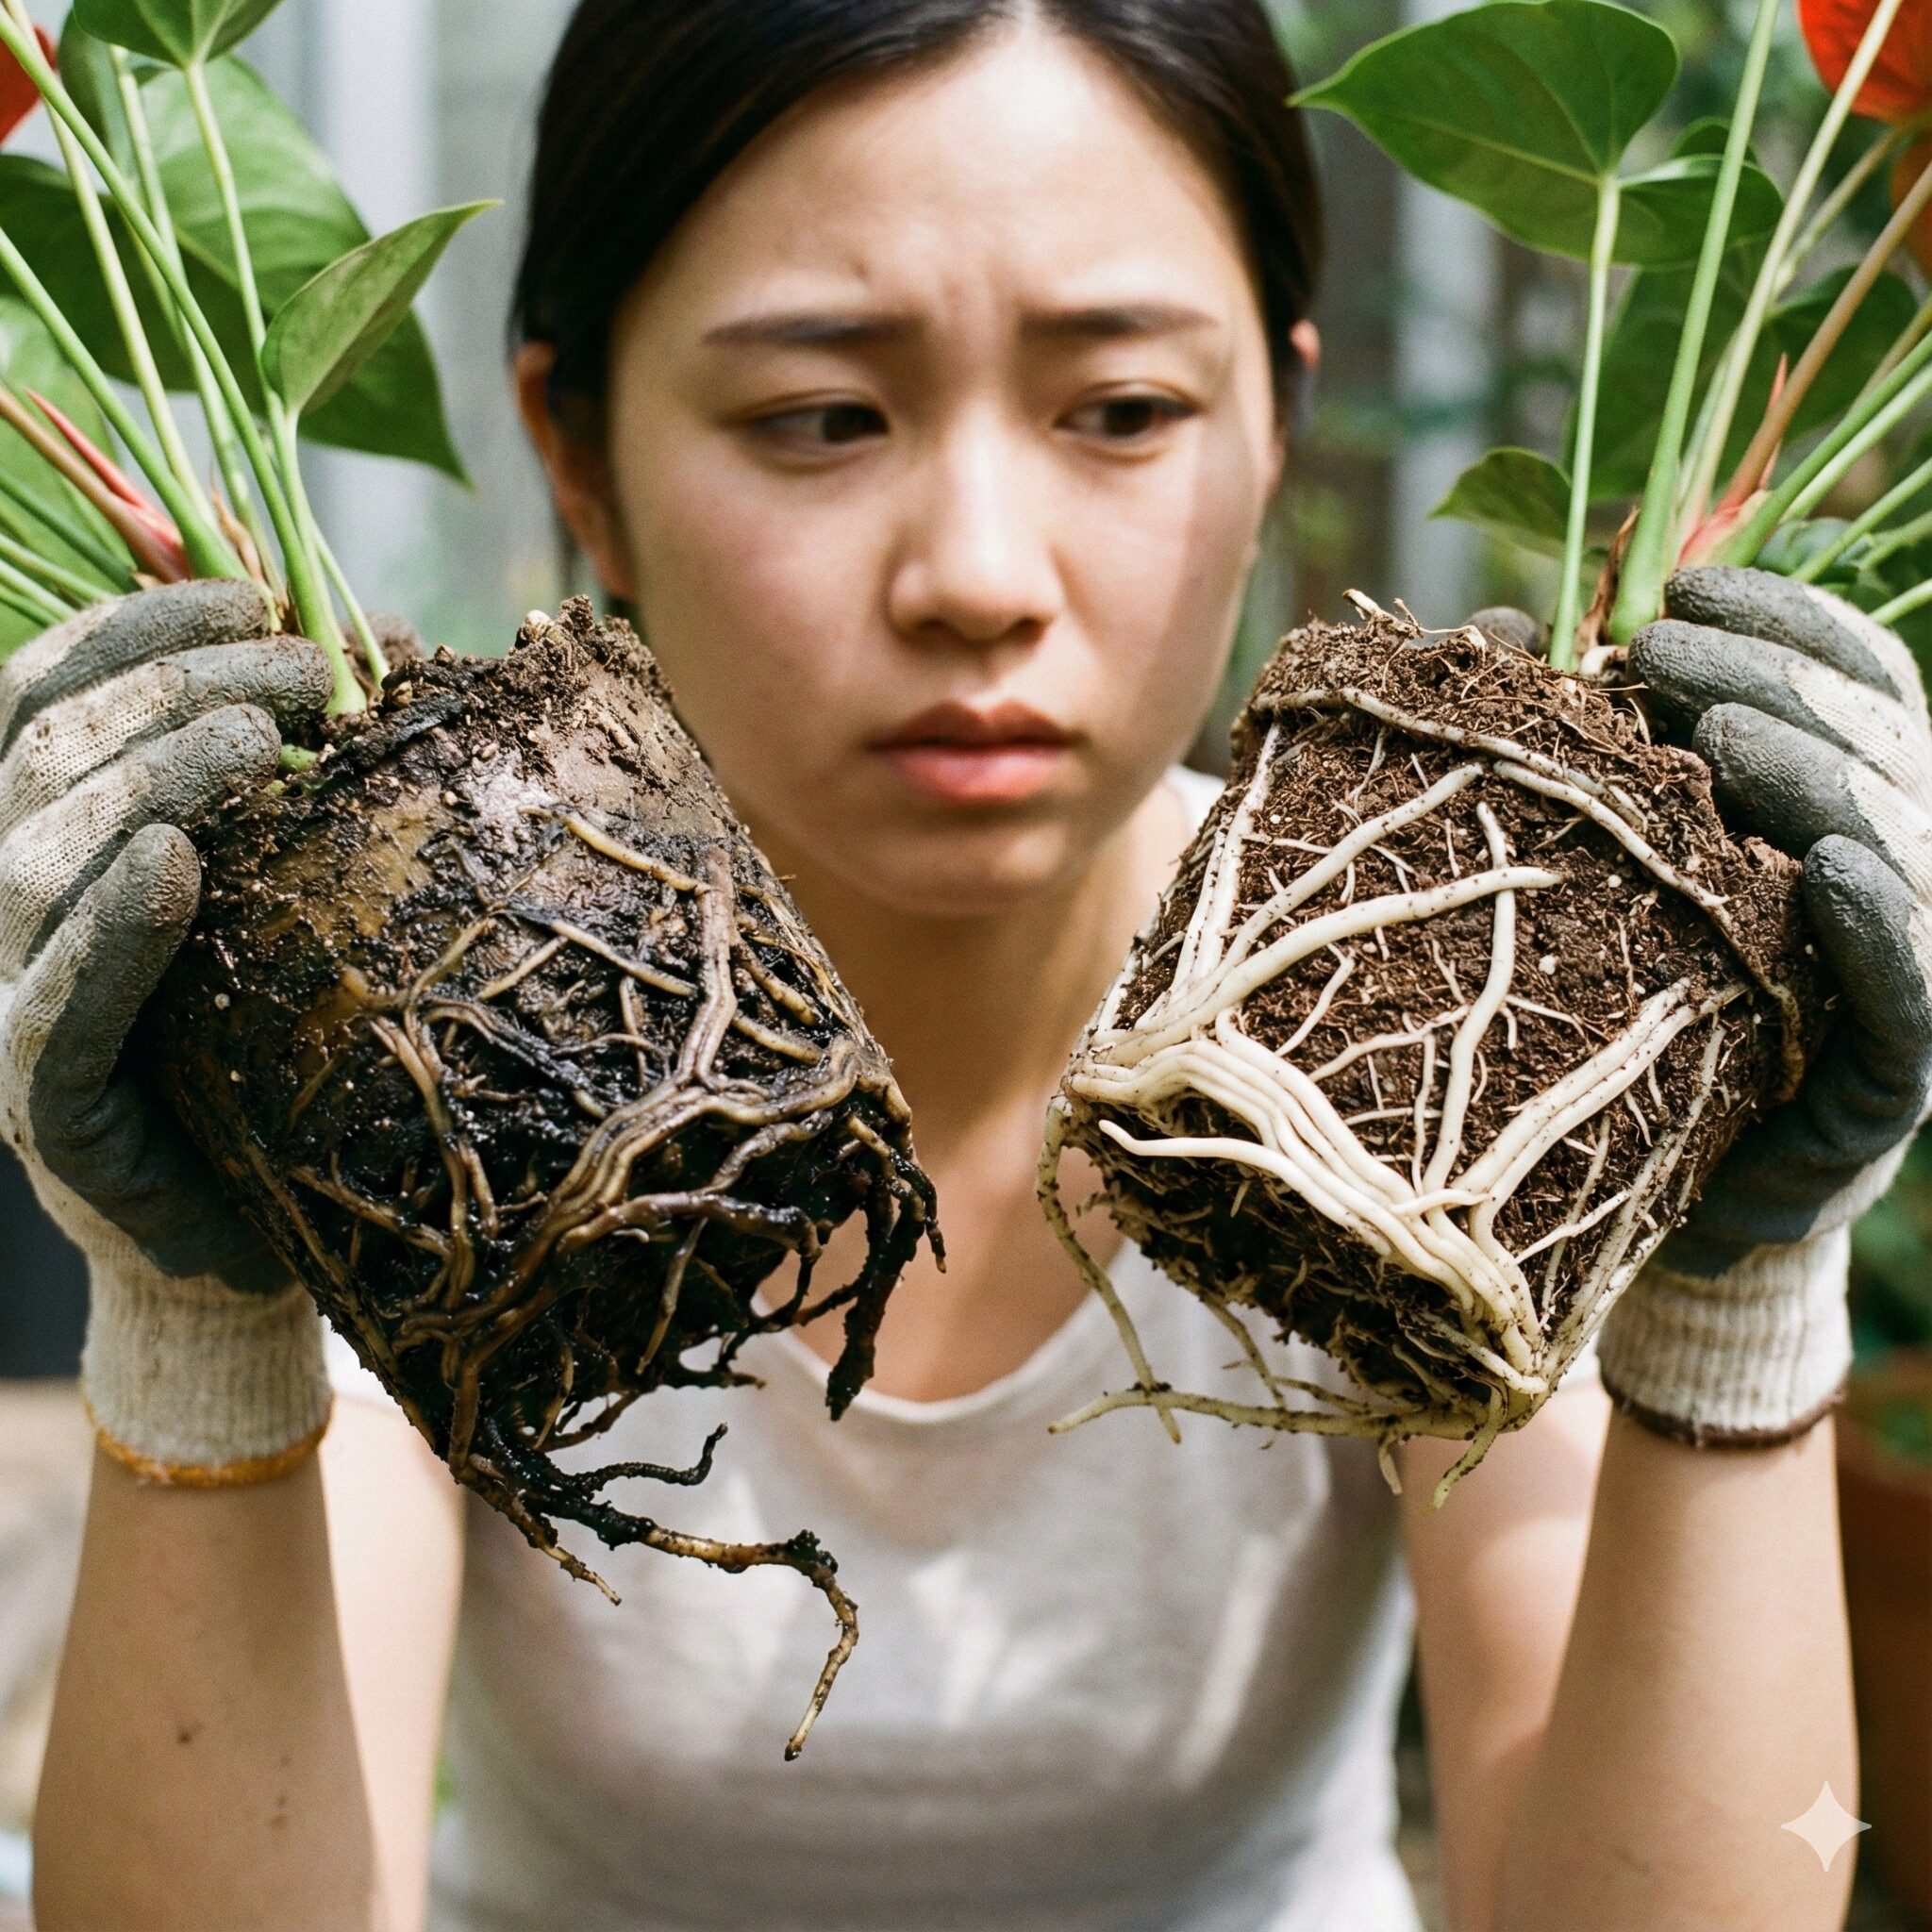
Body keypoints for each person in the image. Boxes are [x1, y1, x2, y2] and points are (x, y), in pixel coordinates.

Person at [9, 1, 1930, 1926]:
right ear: (575, 456)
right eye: (820, 417)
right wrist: (202, 1343)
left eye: (1121, 411)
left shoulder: (1424, 995)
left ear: (1270, 424)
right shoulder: (419, 999)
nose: (979, 572)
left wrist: (1737, 1308)